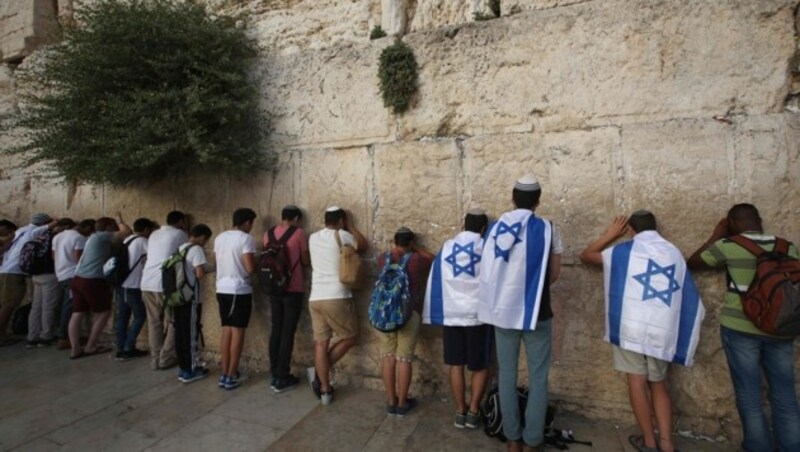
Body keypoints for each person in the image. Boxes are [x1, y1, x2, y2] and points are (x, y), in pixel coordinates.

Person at [580, 212, 705, 452]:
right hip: (662, 328)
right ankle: (667, 444)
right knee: (659, 384)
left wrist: (610, 235)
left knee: (636, 382)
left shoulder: (623, 251)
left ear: (630, 230)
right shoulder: (673, 252)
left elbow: (586, 256)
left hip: (631, 327)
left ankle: (648, 441)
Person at [688, 204, 800, 452]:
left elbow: (693, 262)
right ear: (759, 220)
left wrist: (717, 235)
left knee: (749, 394)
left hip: (740, 328)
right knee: (784, 392)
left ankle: (757, 447)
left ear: (732, 222)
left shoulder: (729, 246)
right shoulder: (786, 246)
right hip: (782, 327)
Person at [477, 175, 562, 452]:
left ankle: (513, 438)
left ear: (513, 198)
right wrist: (528, 291)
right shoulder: (549, 229)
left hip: (503, 312)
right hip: (538, 311)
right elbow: (553, 275)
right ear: (538, 201)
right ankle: (533, 439)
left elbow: (488, 272)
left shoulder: (493, 229)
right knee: (538, 377)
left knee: (507, 374)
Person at [423, 208, 491, 429]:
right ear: (483, 228)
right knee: (479, 366)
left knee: (456, 365)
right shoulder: (486, 247)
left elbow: (438, 276)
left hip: (452, 315)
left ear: (463, 226)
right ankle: (473, 411)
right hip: (477, 317)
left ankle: (460, 411)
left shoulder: (447, 248)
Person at [307, 206, 369, 405]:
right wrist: (351, 226)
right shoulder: (343, 235)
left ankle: (325, 390)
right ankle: (319, 370)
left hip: (315, 297)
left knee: (320, 343)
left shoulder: (313, 238)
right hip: (337, 296)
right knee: (351, 336)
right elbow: (364, 245)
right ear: (341, 220)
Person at [376, 227, 434, 417]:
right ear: (411, 242)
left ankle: (390, 400)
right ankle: (402, 403)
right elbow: (433, 258)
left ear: (394, 241)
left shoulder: (382, 258)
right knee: (404, 358)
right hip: (409, 314)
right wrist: (415, 249)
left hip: (384, 314)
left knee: (388, 356)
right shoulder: (416, 260)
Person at [68, 214, 132, 359]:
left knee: (77, 314)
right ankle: (91, 346)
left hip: (78, 278)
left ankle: (75, 349)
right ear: (108, 227)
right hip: (92, 280)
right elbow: (126, 232)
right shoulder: (103, 236)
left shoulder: (93, 237)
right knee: (103, 312)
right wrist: (121, 220)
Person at [263, 205, 310, 393]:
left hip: (273, 288)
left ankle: (274, 371)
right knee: (288, 331)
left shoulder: (269, 233)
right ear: (297, 218)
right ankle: (283, 376)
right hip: (293, 288)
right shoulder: (298, 233)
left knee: (276, 328)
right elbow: (305, 261)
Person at [214, 208, 258, 390]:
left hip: (221, 288)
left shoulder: (219, 238)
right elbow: (249, 268)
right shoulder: (246, 239)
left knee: (226, 329)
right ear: (247, 222)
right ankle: (231, 374)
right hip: (238, 289)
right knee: (238, 331)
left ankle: (225, 373)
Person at [0, 213, 57, 346]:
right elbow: (53, 224)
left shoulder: (22, 230)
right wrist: (54, 220)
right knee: (8, 306)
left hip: (4, 270)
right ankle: (1, 335)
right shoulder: (34, 231)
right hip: (14, 272)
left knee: (4, 304)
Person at [140, 211, 188, 370]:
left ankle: (155, 360)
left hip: (147, 282)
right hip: (165, 284)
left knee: (154, 322)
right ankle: (165, 357)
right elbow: (185, 254)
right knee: (173, 321)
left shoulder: (154, 234)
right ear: (182, 221)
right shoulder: (180, 234)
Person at [174, 224, 214, 384]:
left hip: (178, 296)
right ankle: (190, 370)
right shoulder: (196, 249)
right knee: (190, 334)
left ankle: (183, 367)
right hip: (190, 298)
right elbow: (199, 273)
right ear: (202, 237)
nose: (205, 244)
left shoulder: (181, 248)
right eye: (206, 240)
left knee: (181, 333)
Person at [115, 217, 157, 361]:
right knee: (140, 316)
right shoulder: (142, 241)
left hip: (121, 284)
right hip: (132, 285)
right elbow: (154, 256)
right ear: (146, 230)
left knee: (123, 317)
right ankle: (128, 347)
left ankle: (120, 347)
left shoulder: (127, 239)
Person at [26, 219, 68, 348]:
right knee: (48, 307)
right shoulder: (55, 238)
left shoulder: (39, 236)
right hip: (49, 275)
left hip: (36, 275)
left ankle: (32, 337)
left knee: (36, 307)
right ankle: (46, 336)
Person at [53, 218, 93, 350]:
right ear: (86, 226)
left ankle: (67, 336)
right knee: (70, 307)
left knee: (69, 305)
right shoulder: (78, 237)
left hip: (60, 274)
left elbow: (53, 256)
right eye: (90, 230)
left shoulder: (58, 236)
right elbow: (78, 258)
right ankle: (63, 338)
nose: (90, 234)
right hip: (72, 275)